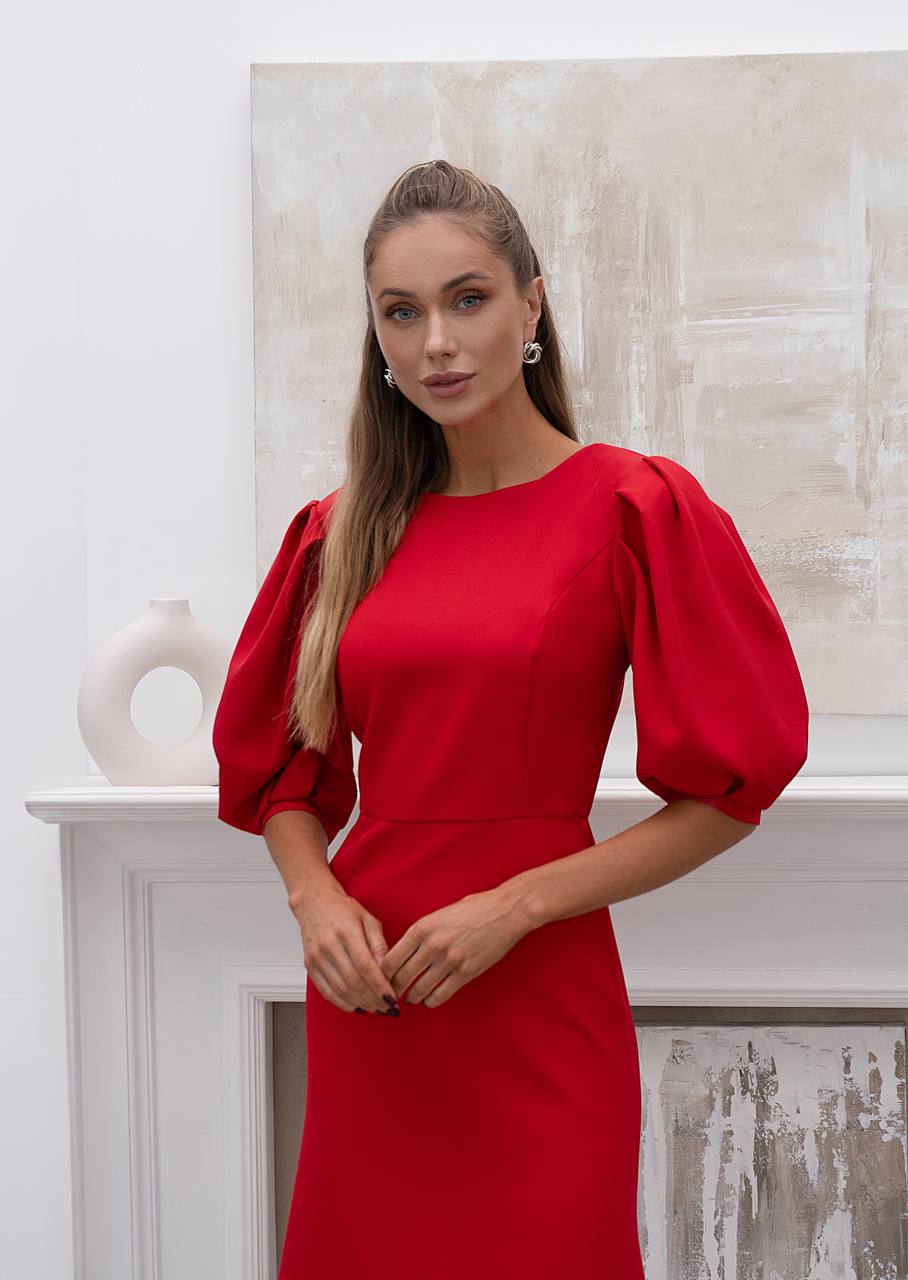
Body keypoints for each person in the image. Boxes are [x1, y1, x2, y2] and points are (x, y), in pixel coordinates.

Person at [212, 159, 809, 1278]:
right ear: (376, 336)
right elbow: (281, 771)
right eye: (402, 312)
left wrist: (515, 903)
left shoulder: (634, 507)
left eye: (467, 298)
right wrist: (315, 895)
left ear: (530, 305)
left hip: (536, 982)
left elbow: (730, 788)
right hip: (376, 990)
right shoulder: (338, 532)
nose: (435, 340)